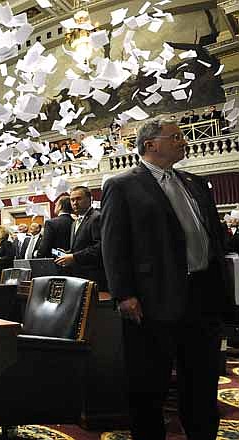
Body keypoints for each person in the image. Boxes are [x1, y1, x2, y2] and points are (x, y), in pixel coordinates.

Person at [101, 119, 231, 440]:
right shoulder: (122, 185)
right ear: (151, 145)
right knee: (149, 385)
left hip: (202, 295)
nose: (184, 141)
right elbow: (113, 246)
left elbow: (212, 236)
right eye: (176, 137)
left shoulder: (194, 182)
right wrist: (124, 294)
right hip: (152, 299)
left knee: (202, 380)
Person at [54, 186, 106, 290]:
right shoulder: (74, 222)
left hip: (94, 278)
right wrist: (68, 253)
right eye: (72, 200)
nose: (74, 203)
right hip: (79, 276)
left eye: (78, 199)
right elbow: (81, 247)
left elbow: (100, 247)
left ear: (89, 199)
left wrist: (74, 257)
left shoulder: (96, 217)